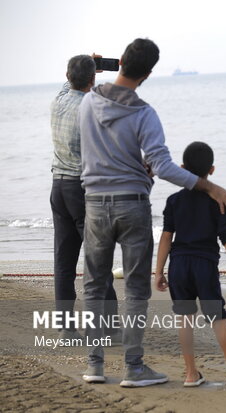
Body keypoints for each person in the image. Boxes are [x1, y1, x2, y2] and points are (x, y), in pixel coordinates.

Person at [79, 39, 226, 387]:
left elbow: (78, 87)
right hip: (131, 204)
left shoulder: (87, 101)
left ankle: (94, 365)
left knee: (93, 286)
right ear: (148, 74)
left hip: (93, 204)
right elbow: (163, 167)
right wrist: (209, 186)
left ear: (120, 62)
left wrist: (95, 70)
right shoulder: (144, 113)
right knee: (135, 290)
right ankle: (133, 368)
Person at [155, 141, 226, 388]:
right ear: (211, 170)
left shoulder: (173, 201)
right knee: (216, 318)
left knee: (184, 319)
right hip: (204, 267)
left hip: (178, 267)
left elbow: (166, 237)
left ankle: (191, 374)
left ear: (182, 168)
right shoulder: (219, 201)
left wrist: (159, 271)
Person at [50, 54, 119, 342]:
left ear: (67, 76)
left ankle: (66, 328)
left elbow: (71, 85)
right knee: (97, 258)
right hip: (82, 190)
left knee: (64, 261)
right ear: (93, 79)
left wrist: (88, 70)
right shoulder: (90, 107)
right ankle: (111, 326)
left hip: (58, 187)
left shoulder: (59, 100)